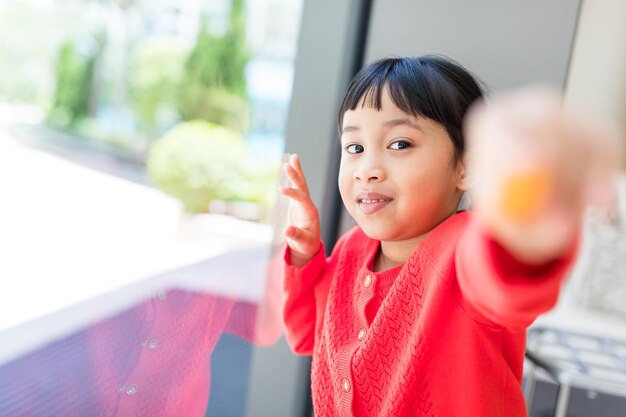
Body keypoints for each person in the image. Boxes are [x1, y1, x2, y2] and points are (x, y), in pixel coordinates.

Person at [279, 55, 620, 417]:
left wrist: (525, 220)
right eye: (355, 148)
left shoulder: (464, 247)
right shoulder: (351, 249)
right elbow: (306, 335)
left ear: (465, 167)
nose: (367, 170)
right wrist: (305, 256)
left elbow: (507, 284)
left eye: (399, 144)